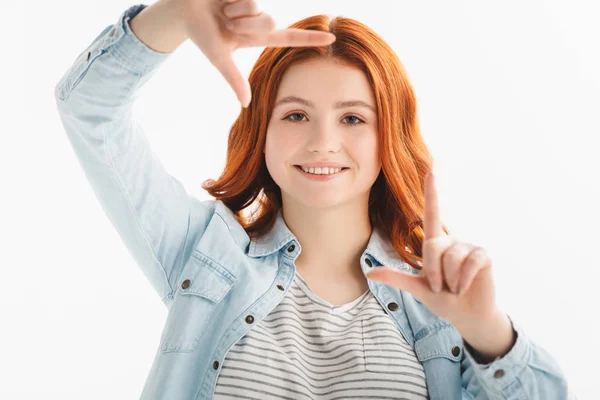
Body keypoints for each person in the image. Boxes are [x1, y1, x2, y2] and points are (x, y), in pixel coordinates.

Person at [54, 1, 574, 399]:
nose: (323, 142)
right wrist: (175, 13)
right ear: (261, 129)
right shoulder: (206, 255)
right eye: (296, 115)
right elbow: (89, 108)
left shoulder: (436, 302)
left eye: (353, 118)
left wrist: (488, 333)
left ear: (388, 135)